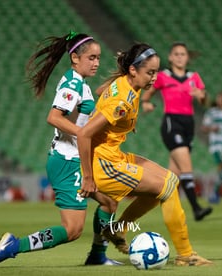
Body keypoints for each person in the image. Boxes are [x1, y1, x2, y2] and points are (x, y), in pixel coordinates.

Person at [0, 31, 121, 268]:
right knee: (72, 230)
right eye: (91, 57)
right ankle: (14, 245)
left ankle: (98, 256)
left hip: (78, 160)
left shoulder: (81, 84)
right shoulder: (71, 84)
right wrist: (82, 134)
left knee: (109, 202)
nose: (97, 62)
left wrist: (122, 75)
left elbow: (98, 96)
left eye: (99, 58)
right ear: (75, 59)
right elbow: (54, 117)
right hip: (68, 162)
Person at [77, 43, 212, 266]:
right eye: (150, 72)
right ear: (133, 70)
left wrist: (124, 122)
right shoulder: (122, 101)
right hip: (104, 164)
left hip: (113, 154)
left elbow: (101, 92)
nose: (153, 78)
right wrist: (88, 177)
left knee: (170, 180)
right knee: (167, 189)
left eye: (156, 72)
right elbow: (84, 134)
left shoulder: (125, 84)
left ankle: (117, 230)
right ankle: (186, 255)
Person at [140, 42, 212, 221]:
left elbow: (204, 99)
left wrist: (201, 96)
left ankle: (149, 200)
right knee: (187, 166)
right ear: (171, 57)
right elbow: (146, 95)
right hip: (172, 122)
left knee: (172, 176)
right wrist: (147, 104)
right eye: (176, 54)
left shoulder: (193, 77)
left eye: (183, 54)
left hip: (189, 124)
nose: (180, 57)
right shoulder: (163, 76)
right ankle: (196, 208)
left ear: (187, 57)